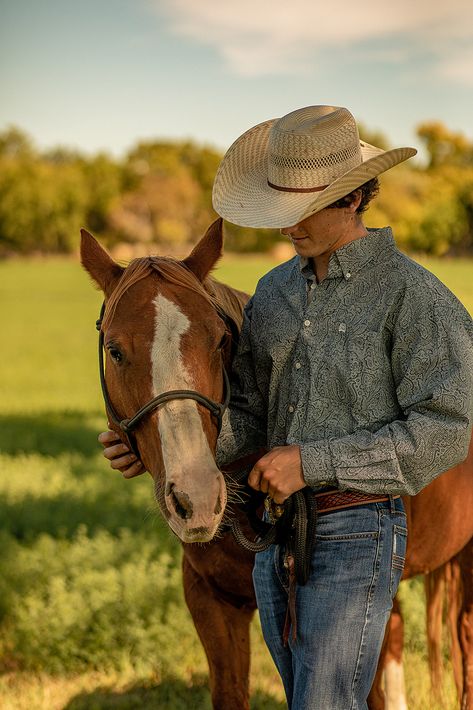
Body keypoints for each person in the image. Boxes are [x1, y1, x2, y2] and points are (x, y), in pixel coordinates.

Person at [100, 105, 473, 709]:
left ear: (352, 199)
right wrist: (168, 450)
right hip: (273, 535)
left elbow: (445, 432)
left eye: (300, 209)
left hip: (359, 530)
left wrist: (311, 462)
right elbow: (246, 413)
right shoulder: (274, 293)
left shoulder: (416, 297)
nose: (283, 227)